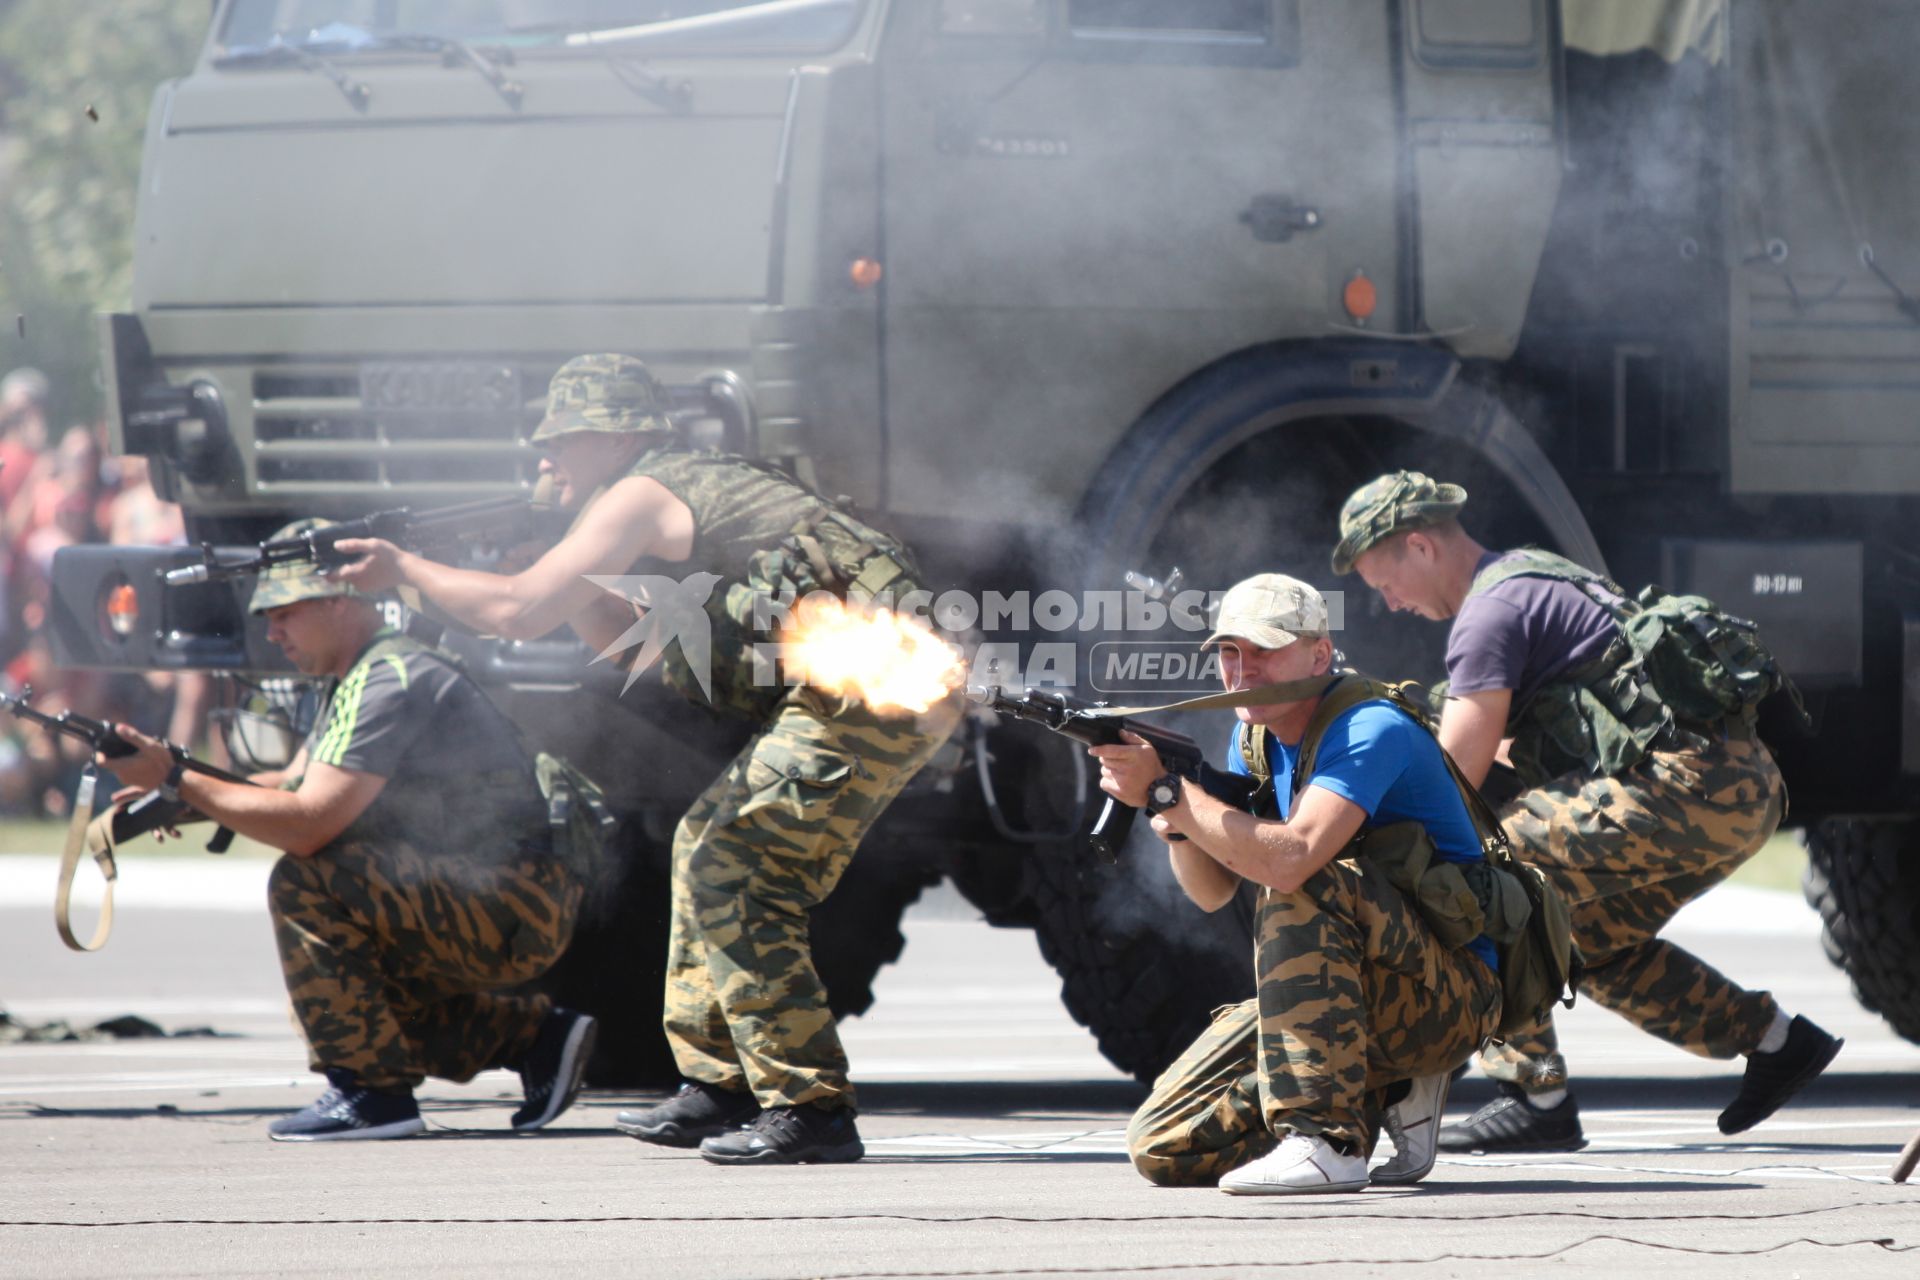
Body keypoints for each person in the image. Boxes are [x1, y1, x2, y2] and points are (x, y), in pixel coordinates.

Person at [332, 354, 960, 1166]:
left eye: (563, 436)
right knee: (706, 846)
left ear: (621, 436)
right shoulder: (670, 492)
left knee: (738, 864)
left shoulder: (640, 493)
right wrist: (576, 577)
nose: (542, 451)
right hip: (863, 690)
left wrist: (406, 570)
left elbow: (517, 613)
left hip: (875, 687)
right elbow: (647, 654)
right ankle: (720, 1084)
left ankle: (810, 1105)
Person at [1334, 470, 1841, 1152]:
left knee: (1488, 874)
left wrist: (1347, 831)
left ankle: (1532, 1094)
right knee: (1579, 945)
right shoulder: (1536, 576)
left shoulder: (1488, 616)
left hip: (1684, 786)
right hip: (1737, 788)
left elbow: (1449, 783)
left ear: (1420, 548)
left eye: (1383, 582)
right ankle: (1776, 1042)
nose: (1388, 603)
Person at [93, 524, 594, 1141]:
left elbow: (308, 824)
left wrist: (178, 780)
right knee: (344, 988)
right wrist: (182, 793)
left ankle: (373, 1095)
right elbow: (292, 785)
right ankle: (535, 1041)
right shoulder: (363, 675)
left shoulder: (391, 680)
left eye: (284, 613)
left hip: (513, 901)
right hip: (492, 891)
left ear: (337, 599)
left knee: (308, 884)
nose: (272, 633)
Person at [1093, 574, 1503, 1194]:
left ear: (1319, 653)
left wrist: (1168, 791)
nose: (1244, 670)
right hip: (1356, 985)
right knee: (1161, 1145)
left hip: (1449, 992)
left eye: (1264, 650)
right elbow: (1212, 893)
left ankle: (1326, 1142)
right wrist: (1178, 818)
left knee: (1303, 879)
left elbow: (1293, 860)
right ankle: (1375, 1088)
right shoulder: (1253, 738)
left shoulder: (1370, 727)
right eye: (1230, 653)